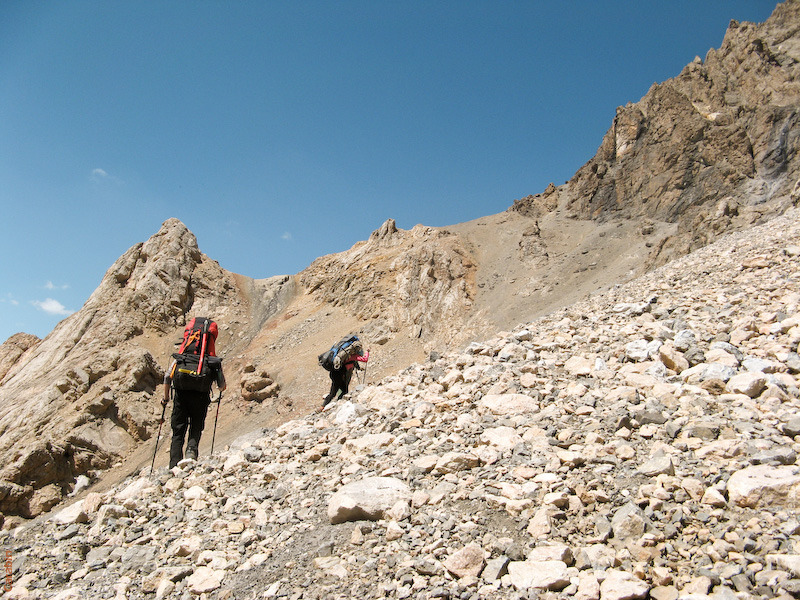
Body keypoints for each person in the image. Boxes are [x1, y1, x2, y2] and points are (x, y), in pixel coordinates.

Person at [163, 319, 226, 468]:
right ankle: (191, 455)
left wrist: (165, 398)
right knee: (196, 426)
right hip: (201, 396)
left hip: (180, 395)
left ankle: (173, 465)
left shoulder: (181, 358)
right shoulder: (211, 361)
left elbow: (167, 377)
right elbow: (222, 386)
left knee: (178, 430)